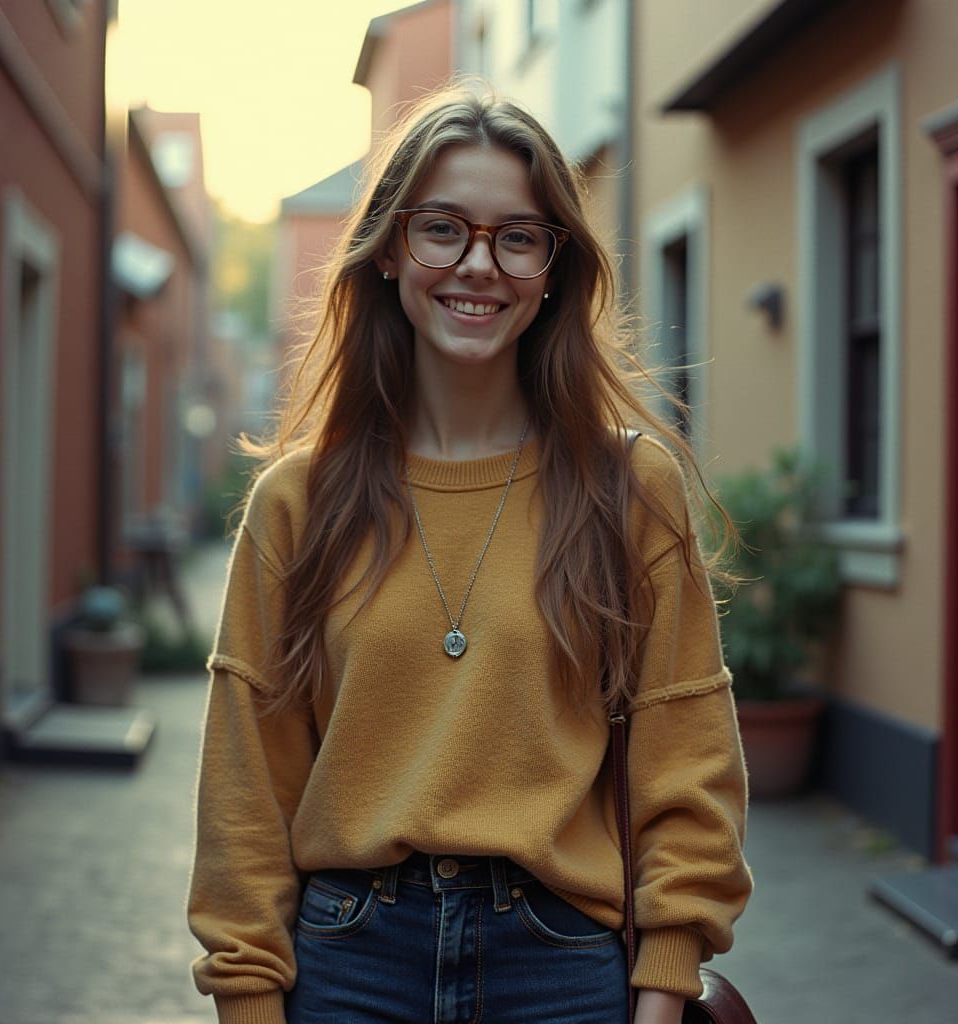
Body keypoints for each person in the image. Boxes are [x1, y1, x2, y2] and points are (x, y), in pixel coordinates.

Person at [187, 84, 752, 1024]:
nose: (478, 265)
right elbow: (247, 791)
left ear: (553, 268)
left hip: (562, 965)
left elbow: (685, 760)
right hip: (347, 965)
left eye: (518, 236)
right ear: (388, 251)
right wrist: (248, 999)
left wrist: (664, 984)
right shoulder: (298, 502)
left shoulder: (627, 490)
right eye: (441, 228)